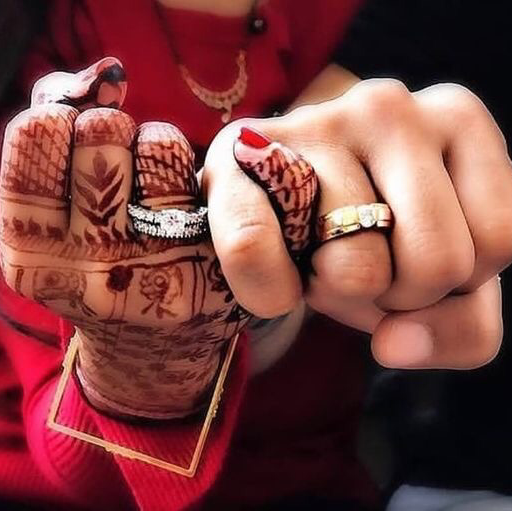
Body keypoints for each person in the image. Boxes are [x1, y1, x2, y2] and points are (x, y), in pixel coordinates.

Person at [0, 1, 511, 510]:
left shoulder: (375, 27)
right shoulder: (37, 44)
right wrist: (143, 362)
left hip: (314, 485)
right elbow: (88, 471)